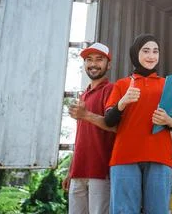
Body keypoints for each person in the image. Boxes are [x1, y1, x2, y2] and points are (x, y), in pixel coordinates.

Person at [104, 34, 172, 214]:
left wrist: (167, 120)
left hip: (159, 156)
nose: (151, 56)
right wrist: (122, 103)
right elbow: (109, 121)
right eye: (146, 51)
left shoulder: (167, 85)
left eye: (155, 51)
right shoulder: (122, 85)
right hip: (125, 157)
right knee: (124, 211)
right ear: (135, 53)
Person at [62, 42, 116, 214]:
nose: (93, 64)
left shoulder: (111, 90)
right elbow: (80, 137)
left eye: (99, 59)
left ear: (109, 64)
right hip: (78, 171)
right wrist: (71, 170)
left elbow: (115, 126)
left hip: (100, 170)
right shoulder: (83, 95)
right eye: (89, 59)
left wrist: (86, 115)